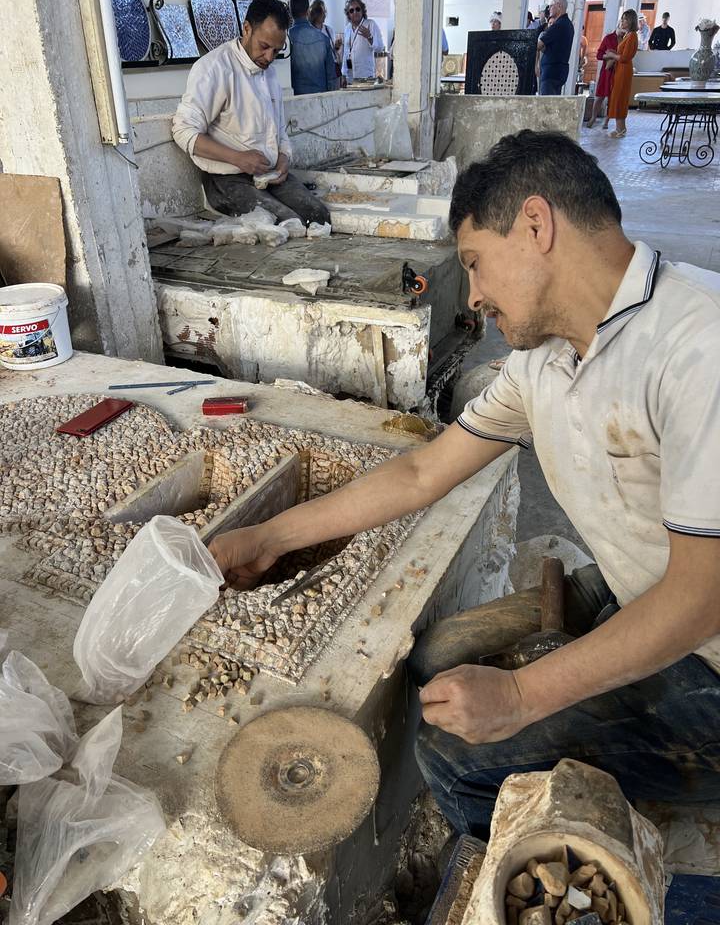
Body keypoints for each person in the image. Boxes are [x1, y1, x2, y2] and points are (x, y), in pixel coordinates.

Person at [209, 128, 720, 841]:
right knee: (435, 663)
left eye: (476, 263)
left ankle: (559, 870)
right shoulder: (543, 361)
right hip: (642, 584)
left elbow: (700, 599)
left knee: (456, 758)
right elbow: (422, 471)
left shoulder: (699, 347)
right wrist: (267, 537)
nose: (473, 295)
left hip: (708, 650)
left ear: (537, 225)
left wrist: (520, 694)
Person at [172, 0, 330, 226]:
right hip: (227, 180)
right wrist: (238, 158)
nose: (269, 58)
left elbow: (281, 132)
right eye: (264, 47)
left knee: (318, 216)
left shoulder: (270, 73)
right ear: (247, 28)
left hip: (269, 174)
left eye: (276, 51)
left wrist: (284, 159)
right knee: (287, 224)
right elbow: (183, 131)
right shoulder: (214, 68)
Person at [288, 0, 337, 94]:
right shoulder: (323, 39)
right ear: (307, 11)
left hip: (296, 99)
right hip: (321, 99)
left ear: (290, 11)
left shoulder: (287, 38)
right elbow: (331, 78)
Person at [606, 9, 638, 138]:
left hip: (624, 69)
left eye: (625, 19)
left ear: (630, 21)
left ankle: (621, 129)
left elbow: (625, 57)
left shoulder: (632, 36)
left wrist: (612, 55)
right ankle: (620, 127)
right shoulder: (627, 35)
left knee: (620, 97)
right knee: (617, 96)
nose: (622, 21)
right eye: (622, 19)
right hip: (621, 68)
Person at [585, 25, 622, 129]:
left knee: (612, 98)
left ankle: (606, 121)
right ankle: (593, 117)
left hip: (618, 71)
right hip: (606, 71)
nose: (623, 30)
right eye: (622, 27)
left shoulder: (625, 39)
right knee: (600, 96)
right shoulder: (608, 38)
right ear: (618, 27)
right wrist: (610, 56)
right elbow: (599, 55)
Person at [536, 0, 574, 94]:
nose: (549, 9)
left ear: (559, 6)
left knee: (546, 106)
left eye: (551, 5)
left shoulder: (559, 25)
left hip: (551, 72)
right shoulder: (568, 24)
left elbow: (539, 45)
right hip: (559, 71)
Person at [341, 0, 384, 83]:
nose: (355, 12)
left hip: (366, 76)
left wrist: (369, 37)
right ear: (348, 14)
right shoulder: (347, 29)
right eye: (351, 10)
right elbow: (346, 53)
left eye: (357, 9)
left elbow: (380, 48)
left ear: (362, 11)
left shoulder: (370, 24)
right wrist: (343, 74)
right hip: (350, 77)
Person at [309, 0, 342, 85]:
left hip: (331, 72)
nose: (325, 15)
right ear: (316, 14)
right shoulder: (309, 31)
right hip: (318, 72)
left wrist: (336, 47)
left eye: (325, 12)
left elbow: (332, 52)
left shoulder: (329, 30)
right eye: (323, 12)